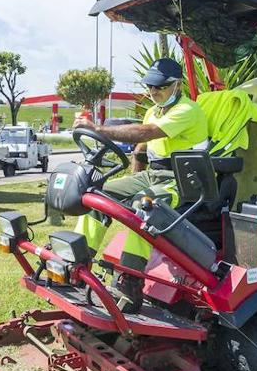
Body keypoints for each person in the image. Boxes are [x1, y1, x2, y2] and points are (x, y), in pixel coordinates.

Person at [70, 57, 209, 313]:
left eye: (161, 87)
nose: (154, 92)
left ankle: (130, 281)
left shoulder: (187, 111)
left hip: (183, 180)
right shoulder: (153, 110)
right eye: (151, 87)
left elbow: (146, 133)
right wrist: (134, 179)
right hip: (154, 175)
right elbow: (140, 151)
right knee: (98, 193)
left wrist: (98, 129)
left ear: (177, 85)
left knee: (143, 206)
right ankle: (76, 262)